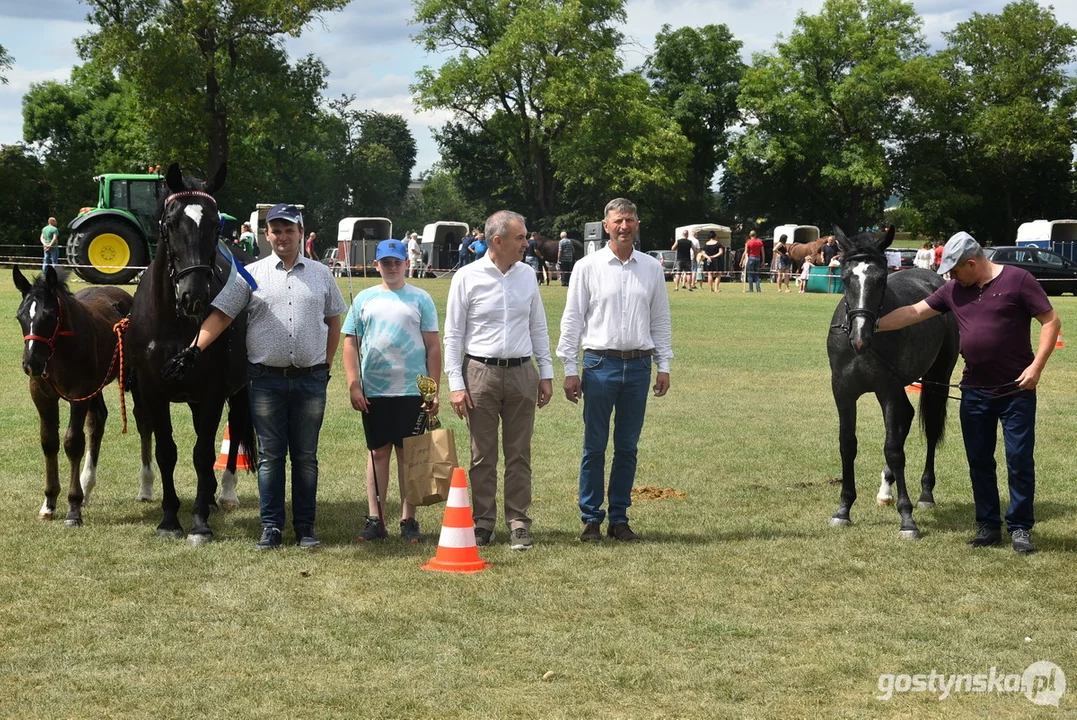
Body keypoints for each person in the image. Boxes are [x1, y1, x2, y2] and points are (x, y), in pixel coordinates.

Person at [162, 203, 347, 550]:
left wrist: (326, 364)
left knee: (306, 456)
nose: (282, 236)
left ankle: (305, 527)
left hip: (310, 379)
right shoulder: (249, 273)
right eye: (276, 230)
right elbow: (221, 315)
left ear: (300, 232)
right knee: (271, 456)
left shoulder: (322, 274)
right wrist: (194, 348)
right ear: (267, 235)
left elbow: (333, 320)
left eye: (289, 230)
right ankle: (272, 527)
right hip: (265, 380)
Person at [876, 231, 1060, 555]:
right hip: (975, 392)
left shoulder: (1019, 281)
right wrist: (872, 324)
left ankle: (1019, 528)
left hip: (1016, 392)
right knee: (979, 462)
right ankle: (988, 526)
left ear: (971, 263)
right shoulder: (953, 291)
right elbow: (915, 312)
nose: (951, 277)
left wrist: (1036, 368)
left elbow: (1050, 321)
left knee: (1018, 460)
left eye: (955, 270)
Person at [557, 198, 672, 543]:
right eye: (618, 221)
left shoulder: (651, 268)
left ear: (637, 224)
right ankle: (591, 519)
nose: (625, 226)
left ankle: (619, 519)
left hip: (638, 366)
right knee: (594, 446)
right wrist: (569, 367)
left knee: (627, 447)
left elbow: (660, 319)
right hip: (598, 364)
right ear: (606, 226)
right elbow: (573, 319)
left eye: (630, 220)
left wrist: (662, 364)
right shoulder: (587, 266)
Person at [444, 210, 554, 551]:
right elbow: (453, 334)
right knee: (482, 454)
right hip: (480, 373)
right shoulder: (466, 277)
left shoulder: (527, 276)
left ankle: (518, 521)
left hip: (522, 372)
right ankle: (483, 522)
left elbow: (538, 326)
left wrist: (546, 373)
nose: (526, 243)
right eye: (520, 238)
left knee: (519, 453)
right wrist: (456, 384)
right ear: (498, 240)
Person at [342, 239, 441, 544]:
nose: (392, 268)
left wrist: (433, 390)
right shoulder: (364, 299)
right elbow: (350, 343)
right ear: (376, 266)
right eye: (386, 263)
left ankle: (408, 519)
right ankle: (376, 518)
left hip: (413, 390)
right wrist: (353, 383)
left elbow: (433, 346)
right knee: (378, 452)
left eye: (397, 262)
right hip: (375, 391)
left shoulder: (421, 299)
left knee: (409, 456)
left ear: (406, 263)